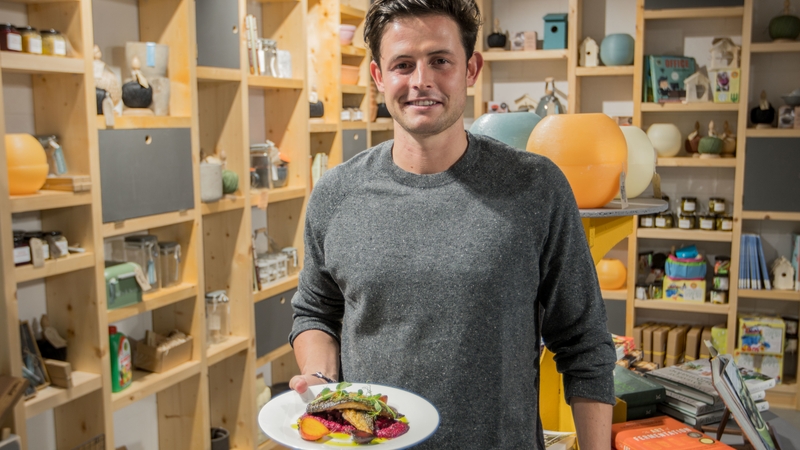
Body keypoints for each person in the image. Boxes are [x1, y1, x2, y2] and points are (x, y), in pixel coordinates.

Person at [289, 0, 617, 448]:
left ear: (471, 69)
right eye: (403, 64)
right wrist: (320, 380)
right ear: (379, 77)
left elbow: (584, 343)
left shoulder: (536, 187)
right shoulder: (335, 194)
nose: (421, 80)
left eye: (439, 61)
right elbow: (316, 311)